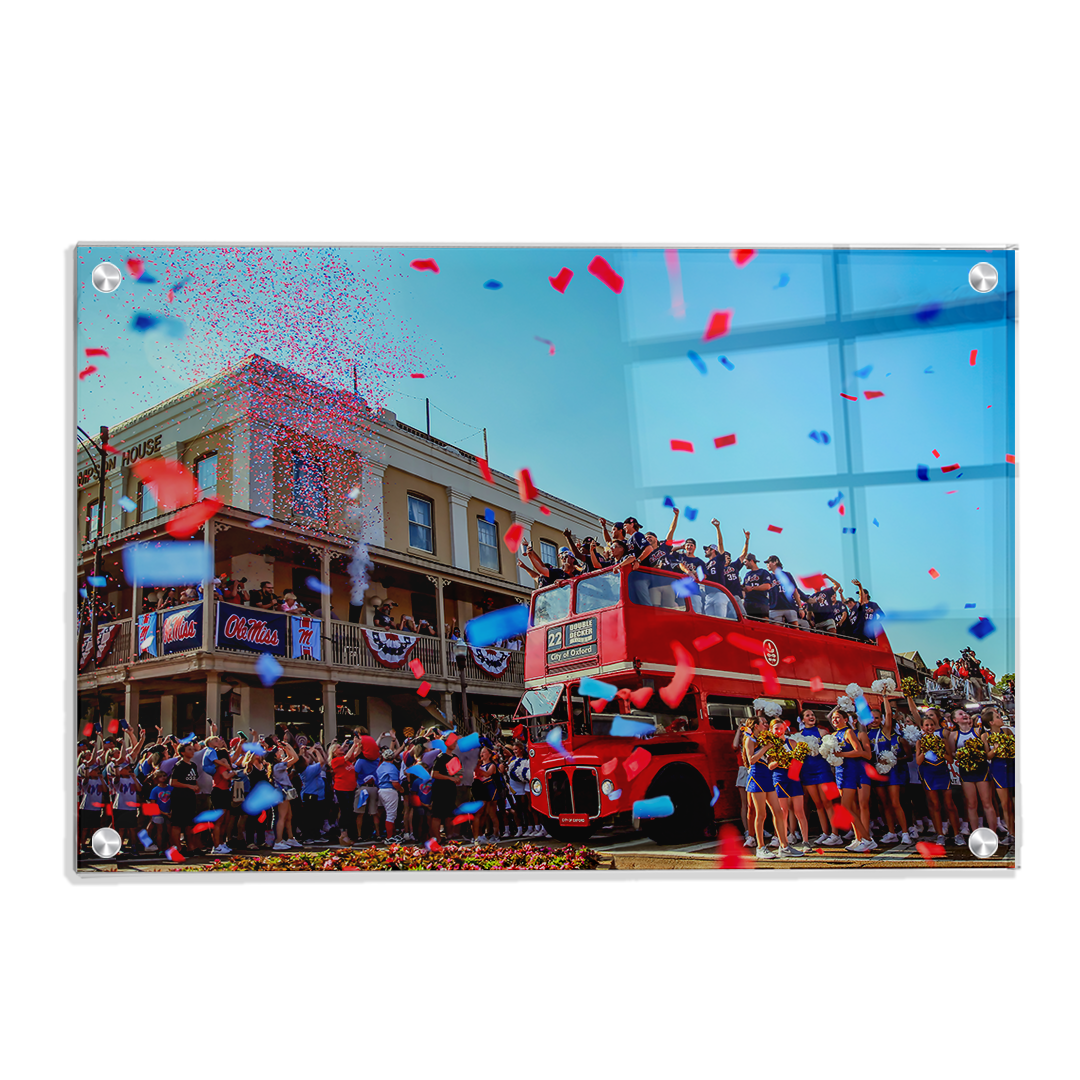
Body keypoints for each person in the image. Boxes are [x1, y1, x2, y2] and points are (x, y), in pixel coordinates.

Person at [743, 714, 801, 859]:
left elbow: (768, 760)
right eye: (763, 723)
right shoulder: (750, 740)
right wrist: (766, 747)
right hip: (757, 778)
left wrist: (778, 755)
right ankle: (760, 847)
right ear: (756, 726)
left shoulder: (765, 740)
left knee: (779, 812)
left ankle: (784, 846)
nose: (766, 725)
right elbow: (752, 760)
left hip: (768, 776)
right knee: (761, 814)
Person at [912, 702, 962, 846]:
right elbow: (919, 761)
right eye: (926, 725)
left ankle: (957, 834)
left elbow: (950, 759)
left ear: (935, 726)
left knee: (949, 804)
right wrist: (926, 748)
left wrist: (938, 750)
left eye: (931, 725)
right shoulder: (920, 742)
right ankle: (940, 834)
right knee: (935, 805)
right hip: (928, 774)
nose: (929, 728)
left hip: (942, 773)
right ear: (922, 728)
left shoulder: (942, 740)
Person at [828, 706, 876, 852]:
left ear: (845, 720)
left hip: (851, 772)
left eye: (838, 717)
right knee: (850, 807)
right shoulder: (834, 734)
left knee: (846, 807)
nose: (835, 720)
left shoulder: (848, 732)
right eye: (834, 718)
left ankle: (868, 839)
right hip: (840, 772)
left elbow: (858, 751)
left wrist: (840, 755)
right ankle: (859, 838)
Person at [947, 707, 999, 840]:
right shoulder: (953, 735)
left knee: (987, 803)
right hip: (966, 772)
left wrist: (975, 753)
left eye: (965, 713)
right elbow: (952, 755)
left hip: (981, 770)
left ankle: (993, 834)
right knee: (971, 804)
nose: (964, 715)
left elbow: (986, 751)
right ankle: (976, 834)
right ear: (955, 720)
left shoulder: (978, 731)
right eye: (960, 714)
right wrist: (963, 754)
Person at [794, 709, 840, 846]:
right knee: (818, 804)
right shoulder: (798, 736)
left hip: (823, 770)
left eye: (812, 715)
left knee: (827, 803)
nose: (811, 717)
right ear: (802, 720)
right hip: (807, 772)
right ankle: (825, 833)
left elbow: (831, 751)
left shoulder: (823, 732)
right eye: (807, 715)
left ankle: (835, 834)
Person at [982, 706, 1015, 841]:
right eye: (997, 717)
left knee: (1016, 801)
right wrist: (995, 749)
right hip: (998, 768)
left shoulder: (1007, 731)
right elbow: (987, 757)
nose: (1000, 719)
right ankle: (1011, 833)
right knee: (1006, 803)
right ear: (991, 722)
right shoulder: (985, 736)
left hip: (1012, 766)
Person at [266, 740, 301, 850]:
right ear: (275, 756)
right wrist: (288, 746)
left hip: (284, 792)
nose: (279, 752)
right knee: (281, 817)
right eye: (277, 752)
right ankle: (278, 841)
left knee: (288, 816)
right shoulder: (278, 766)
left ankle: (290, 837)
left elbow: (291, 757)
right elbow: (295, 758)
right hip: (282, 792)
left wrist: (286, 748)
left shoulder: (277, 765)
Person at [168, 741, 200, 854]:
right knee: (177, 823)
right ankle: (178, 847)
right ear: (182, 752)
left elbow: (194, 779)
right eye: (189, 749)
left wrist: (195, 787)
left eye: (193, 749)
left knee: (189, 823)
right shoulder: (179, 765)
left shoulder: (193, 765)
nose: (192, 751)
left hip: (190, 797)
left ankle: (191, 847)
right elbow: (173, 782)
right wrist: (189, 786)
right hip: (179, 797)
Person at [329, 738, 362, 845]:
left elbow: (355, 754)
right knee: (345, 811)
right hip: (342, 788)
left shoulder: (346, 760)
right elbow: (348, 756)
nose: (341, 748)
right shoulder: (335, 760)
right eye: (338, 747)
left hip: (350, 788)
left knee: (349, 811)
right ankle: (343, 834)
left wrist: (359, 744)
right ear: (334, 752)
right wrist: (354, 745)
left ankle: (347, 833)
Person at [428, 744, 462, 842]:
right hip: (440, 789)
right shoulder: (440, 758)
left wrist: (457, 778)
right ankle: (437, 838)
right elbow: (434, 774)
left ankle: (449, 836)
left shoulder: (455, 757)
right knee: (437, 814)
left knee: (450, 814)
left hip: (451, 789)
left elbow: (456, 773)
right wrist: (450, 778)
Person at [765, 556, 809, 626]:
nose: (767, 565)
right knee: (777, 629)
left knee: (795, 627)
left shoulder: (787, 575)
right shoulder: (768, 577)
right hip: (775, 608)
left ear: (775, 562)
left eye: (768, 562)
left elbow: (795, 592)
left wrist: (800, 608)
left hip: (789, 606)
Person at [298, 744, 328, 844]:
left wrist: (305, 752)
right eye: (306, 758)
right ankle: (308, 837)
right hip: (311, 796)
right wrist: (315, 751)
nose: (308, 758)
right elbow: (321, 762)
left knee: (317, 817)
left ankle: (316, 835)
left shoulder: (308, 768)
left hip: (316, 795)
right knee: (311, 817)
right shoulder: (308, 770)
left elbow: (309, 760)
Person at [470, 746, 500, 843]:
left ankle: (496, 834)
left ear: (490, 754)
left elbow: (487, 774)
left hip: (491, 789)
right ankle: (482, 834)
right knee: (483, 814)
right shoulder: (480, 765)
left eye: (484, 752)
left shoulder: (492, 765)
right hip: (481, 789)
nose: (481, 754)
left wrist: (476, 768)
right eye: (481, 752)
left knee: (492, 813)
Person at [374, 748, 403, 841]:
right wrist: (402, 790)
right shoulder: (392, 767)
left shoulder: (381, 766)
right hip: (390, 790)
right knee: (391, 814)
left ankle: (392, 835)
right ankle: (389, 837)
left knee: (389, 813)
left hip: (381, 790)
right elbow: (395, 783)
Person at [740, 554, 775, 620]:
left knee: (764, 621)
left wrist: (752, 588)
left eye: (745, 561)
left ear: (751, 561)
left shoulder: (763, 572)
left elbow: (767, 586)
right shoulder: (747, 574)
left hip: (761, 602)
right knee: (749, 623)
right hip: (748, 604)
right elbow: (744, 587)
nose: (744, 564)